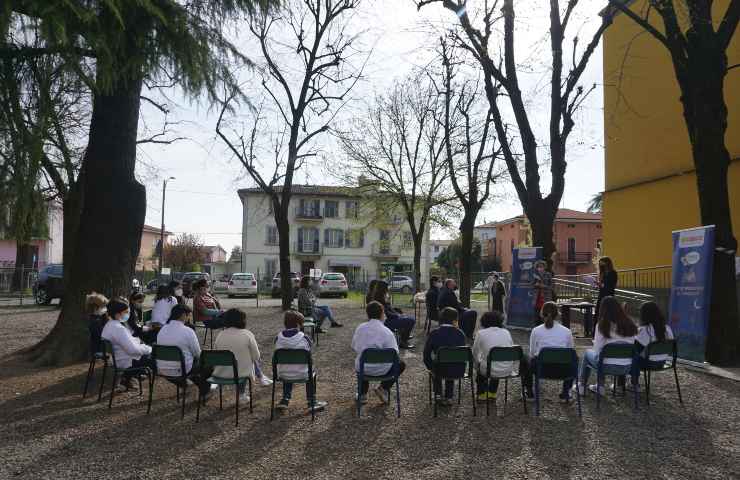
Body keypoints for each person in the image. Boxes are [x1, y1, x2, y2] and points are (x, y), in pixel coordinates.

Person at [576, 296, 637, 396]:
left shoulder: (602, 324)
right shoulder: (630, 324)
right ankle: (609, 386)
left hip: (606, 366)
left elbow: (597, 349)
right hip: (627, 367)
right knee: (604, 355)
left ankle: (584, 386)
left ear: (602, 309)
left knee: (588, 353)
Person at [352, 301, 406, 405]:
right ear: (382, 314)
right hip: (383, 370)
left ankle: (362, 394)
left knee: (360, 359)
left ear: (368, 314)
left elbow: (355, 347)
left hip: (364, 368)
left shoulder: (360, 328)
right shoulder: (387, 332)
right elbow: (395, 353)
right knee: (401, 364)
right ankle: (383, 387)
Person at [212, 308, 272, 401]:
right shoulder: (247, 334)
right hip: (240, 374)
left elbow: (216, 353)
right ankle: (242, 394)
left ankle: (260, 377)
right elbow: (256, 356)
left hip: (221, 373)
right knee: (244, 361)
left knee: (240, 361)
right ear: (242, 320)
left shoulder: (220, 334)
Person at [155, 304, 213, 398]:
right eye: (188, 315)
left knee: (191, 364)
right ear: (183, 315)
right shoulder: (188, 331)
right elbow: (198, 354)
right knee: (208, 363)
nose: (189, 317)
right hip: (182, 369)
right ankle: (204, 389)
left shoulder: (162, 329)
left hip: (162, 369)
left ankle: (186, 384)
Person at [274, 310, 327, 412]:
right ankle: (312, 401)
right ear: (299, 324)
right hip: (302, 374)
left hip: (282, 374)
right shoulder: (305, 338)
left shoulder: (278, 338)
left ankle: (285, 399)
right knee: (311, 371)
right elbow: (310, 352)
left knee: (288, 367)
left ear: (285, 323)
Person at [522, 302, 575, 402]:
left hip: (541, 369)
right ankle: (566, 392)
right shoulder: (567, 331)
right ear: (557, 314)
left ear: (542, 314)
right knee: (573, 360)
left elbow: (532, 353)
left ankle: (529, 392)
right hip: (563, 370)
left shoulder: (536, 330)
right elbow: (571, 351)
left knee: (525, 359)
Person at [101, 298, 152, 391]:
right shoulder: (119, 328)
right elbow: (133, 350)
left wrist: (141, 345)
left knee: (147, 354)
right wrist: (149, 349)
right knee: (151, 357)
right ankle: (127, 378)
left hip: (117, 358)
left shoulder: (109, 325)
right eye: (125, 312)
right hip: (124, 361)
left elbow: (130, 343)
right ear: (117, 314)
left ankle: (127, 379)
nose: (127, 314)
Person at [423, 307, 467, 406]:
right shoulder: (460, 334)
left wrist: (430, 367)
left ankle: (438, 394)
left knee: (437, 363)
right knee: (452, 361)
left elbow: (426, 354)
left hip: (439, 369)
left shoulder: (434, 333)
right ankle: (449, 396)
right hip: (458, 370)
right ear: (455, 320)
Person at [472, 311, 516, 401]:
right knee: (495, 360)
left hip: (489, 369)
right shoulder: (506, 332)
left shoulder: (481, 333)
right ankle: (492, 393)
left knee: (482, 364)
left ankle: (482, 394)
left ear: (483, 321)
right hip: (506, 369)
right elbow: (511, 348)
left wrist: (477, 365)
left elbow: (475, 352)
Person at [629, 301, 675, 388]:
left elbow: (635, 350)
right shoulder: (667, 328)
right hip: (662, 362)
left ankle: (632, 383)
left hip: (648, 363)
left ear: (644, 315)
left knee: (631, 355)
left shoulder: (644, 330)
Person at [368, 280, 416, 349]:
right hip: (386, 321)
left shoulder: (380, 295)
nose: (388, 288)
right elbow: (386, 313)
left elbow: (389, 308)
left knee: (407, 318)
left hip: (388, 319)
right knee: (411, 320)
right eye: (387, 287)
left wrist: (398, 313)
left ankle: (403, 336)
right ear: (383, 288)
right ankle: (403, 341)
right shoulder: (379, 298)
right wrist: (398, 315)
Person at [594, 256, 618, 332]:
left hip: (609, 296)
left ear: (607, 263)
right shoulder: (602, 273)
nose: (601, 264)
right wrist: (597, 285)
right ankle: (596, 331)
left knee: (608, 314)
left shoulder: (613, 273)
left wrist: (601, 285)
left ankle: (608, 331)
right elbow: (602, 285)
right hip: (601, 296)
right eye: (600, 263)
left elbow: (611, 285)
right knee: (598, 313)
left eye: (602, 262)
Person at [86, 292, 109, 357]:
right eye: (103, 307)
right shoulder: (94, 321)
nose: (105, 309)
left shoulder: (98, 318)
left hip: (101, 347)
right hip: (99, 350)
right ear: (96, 308)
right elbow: (101, 334)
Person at [532, 261, 553, 326]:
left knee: (545, 313)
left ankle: (547, 326)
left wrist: (542, 286)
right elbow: (531, 285)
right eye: (538, 267)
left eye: (541, 266)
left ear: (544, 267)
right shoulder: (535, 275)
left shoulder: (548, 274)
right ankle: (537, 327)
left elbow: (551, 286)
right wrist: (535, 284)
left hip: (546, 297)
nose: (540, 268)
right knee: (537, 314)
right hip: (536, 298)